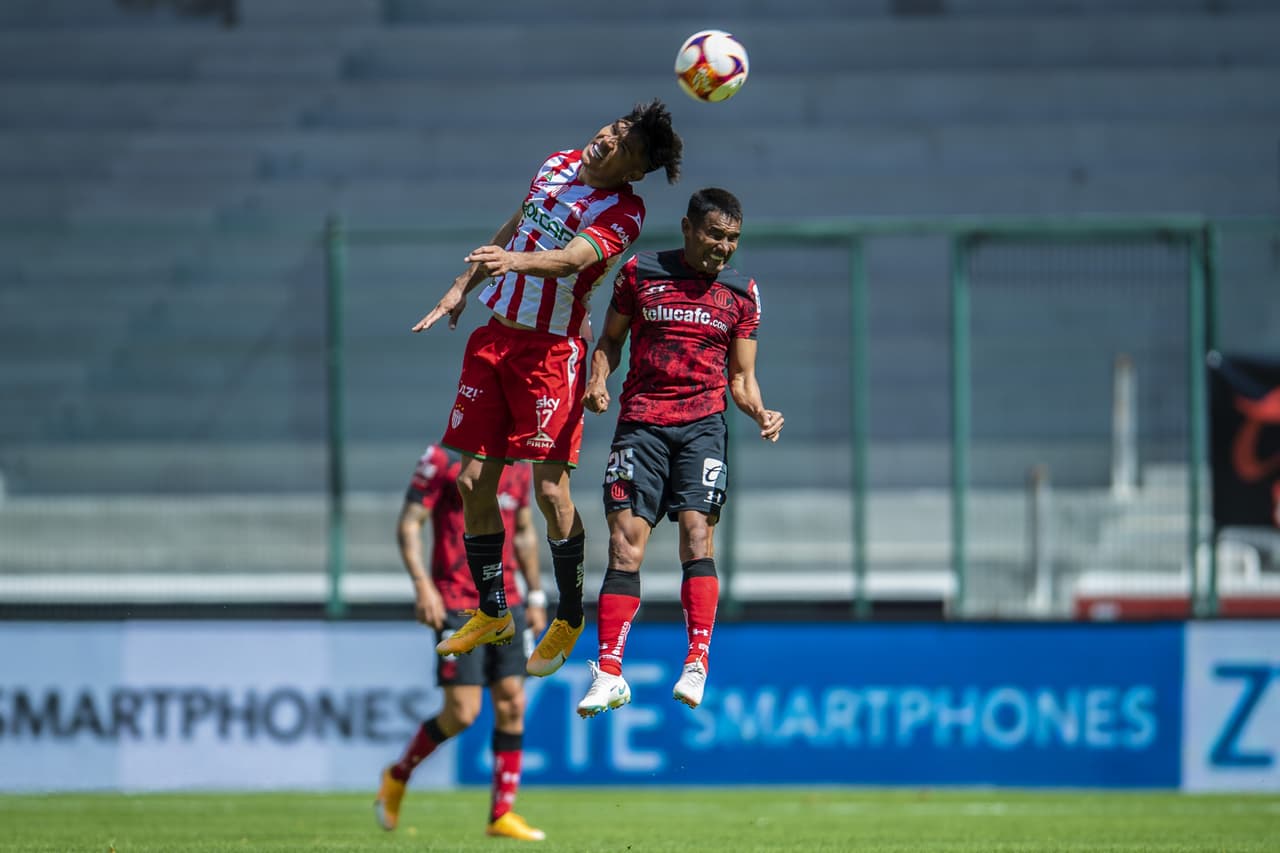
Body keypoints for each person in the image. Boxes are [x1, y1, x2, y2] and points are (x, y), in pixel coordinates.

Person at [411, 100, 683, 678]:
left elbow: (567, 261)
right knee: (471, 481)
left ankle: (568, 615)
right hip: (492, 342)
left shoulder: (623, 212)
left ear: (634, 170)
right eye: (612, 129)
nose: (607, 140)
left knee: (550, 492)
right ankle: (493, 611)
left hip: (550, 353)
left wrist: (511, 261)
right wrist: (463, 284)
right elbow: (518, 220)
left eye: (624, 145)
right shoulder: (556, 163)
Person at [575, 187, 784, 718]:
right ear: (688, 228)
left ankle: (696, 662)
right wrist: (599, 381)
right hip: (641, 423)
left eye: (733, 239)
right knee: (625, 545)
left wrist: (760, 412)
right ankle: (610, 672)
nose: (724, 248)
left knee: (697, 534)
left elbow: (741, 377)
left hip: (702, 427)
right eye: (715, 235)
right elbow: (609, 341)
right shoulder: (639, 272)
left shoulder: (741, 291)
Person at [374, 445, 548, 842]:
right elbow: (409, 524)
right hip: (457, 602)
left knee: (512, 701)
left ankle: (501, 814)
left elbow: (523, 533)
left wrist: (536, 594)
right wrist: (422, 586)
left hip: (509, 601)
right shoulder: (444, 458)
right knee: (463, 713)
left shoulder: (521, 465)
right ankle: (398, 775)